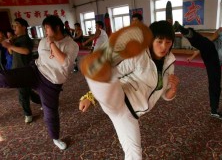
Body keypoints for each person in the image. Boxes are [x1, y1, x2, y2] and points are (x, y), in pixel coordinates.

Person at [79, 20, 179, 159]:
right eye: (159, 41)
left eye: (168, 42)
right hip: (122, 98)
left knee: (134, 154)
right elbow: (119, 71)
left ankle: (103, 60)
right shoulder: (140, 55)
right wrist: (89, 97)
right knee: (109, 78)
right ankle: (102, 60)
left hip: (131, 116)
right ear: (150, 41)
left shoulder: (169, 63)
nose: (164, 47)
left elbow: (165, 96)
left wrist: (173, 89)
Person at [0, 15, 79, 150]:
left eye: (47, 28)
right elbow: (40, 57)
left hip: (52, 82)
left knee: (50, 112)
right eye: (44, 28)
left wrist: (52, 43)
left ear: (57, 27)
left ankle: (55, 138)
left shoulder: (71, 45)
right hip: (36, 72)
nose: (45, 31)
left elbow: (65, 63)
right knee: (6, 78)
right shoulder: (43, 41)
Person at [173, 8, 222, 120]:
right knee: (207, 44)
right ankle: (185, 31)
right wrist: (194, 55)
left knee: (215, 85)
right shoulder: (221, 30)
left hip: (216, 63)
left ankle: (214, 111)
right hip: (211, 53)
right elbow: (207, 41)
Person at [1, 18, 41, 123]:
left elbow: (26, 51)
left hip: (24, 70)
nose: (14, 28)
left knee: (22, 94)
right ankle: (43, 101)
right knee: (27, 92)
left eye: (16, 25)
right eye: (13, 26)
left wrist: (10, 45)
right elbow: (10, 52)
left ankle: (28, 114)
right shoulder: (17, 39)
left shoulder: (26, 39)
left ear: (24, 27)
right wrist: (10, 43)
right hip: (17, 69)